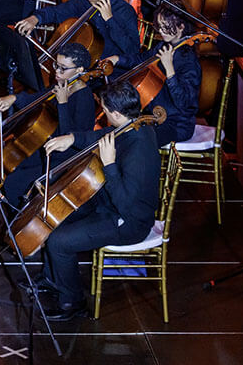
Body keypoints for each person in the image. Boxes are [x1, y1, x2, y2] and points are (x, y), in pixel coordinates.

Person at [39, 81, 159, 320]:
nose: (103, 115)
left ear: (116, 113)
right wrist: (71, 138)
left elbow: (126, 204)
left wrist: (110, 164)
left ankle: (73, 303)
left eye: (105, 111)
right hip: (107, 204)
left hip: (128, 222)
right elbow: (101, 135)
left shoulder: (139, 152)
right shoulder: (130, 125)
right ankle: (55, 279)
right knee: (55, 216)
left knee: (58, 242)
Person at [0, 42, 99, 206]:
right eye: (56, 65)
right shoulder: (62, 84)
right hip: (46, 148)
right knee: (12, 170)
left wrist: (62, 104)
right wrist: (14, 98)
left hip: (61, 160)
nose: (56, 71)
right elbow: (36, 99)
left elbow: (71, 139)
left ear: (79, 70)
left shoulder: (84, 98)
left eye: (63, 68)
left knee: (16, 182)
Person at [110, 7, 202, 147]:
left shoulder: (189, 61)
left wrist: (170, 69)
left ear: (181, 27)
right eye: (160, 26)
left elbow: (184, 103)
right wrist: (117, 59)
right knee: (122, 133)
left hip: (177, 124)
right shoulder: (163, 46)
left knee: (138, 140)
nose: (161, 31)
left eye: (167, 27)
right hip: (155, 115)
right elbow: (141, 59)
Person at [15, 0, 140, 61]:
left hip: (111, 73)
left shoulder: (124, 11)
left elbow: (133, 50)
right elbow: (56, 12)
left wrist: (110, 20)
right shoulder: (83, 2)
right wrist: (35, 18)